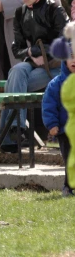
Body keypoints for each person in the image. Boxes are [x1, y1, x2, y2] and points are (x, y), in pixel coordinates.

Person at [0, 0, 69, 153]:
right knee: (17, 71)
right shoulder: (20, 13)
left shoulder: (55, 10)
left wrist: (39, 53)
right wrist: (31, 54)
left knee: (13, 84)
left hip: (55, 67)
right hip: (32, 64)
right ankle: (18, 127)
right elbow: (16, 48)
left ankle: (8, 137)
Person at [42, 53, 75, 196]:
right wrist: (52, 124)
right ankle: (68, 188)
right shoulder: (56, 84)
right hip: (64, 132)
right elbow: (49, 105)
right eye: (71, 56)